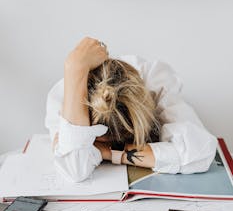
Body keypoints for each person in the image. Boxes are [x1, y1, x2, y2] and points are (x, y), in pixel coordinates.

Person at [45, 37, 217, 183]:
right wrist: (74, 67)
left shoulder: (155, 81)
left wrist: (107, 151)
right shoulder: (63, 98)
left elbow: (200, 151)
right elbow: (74, 170)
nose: (116, 143)